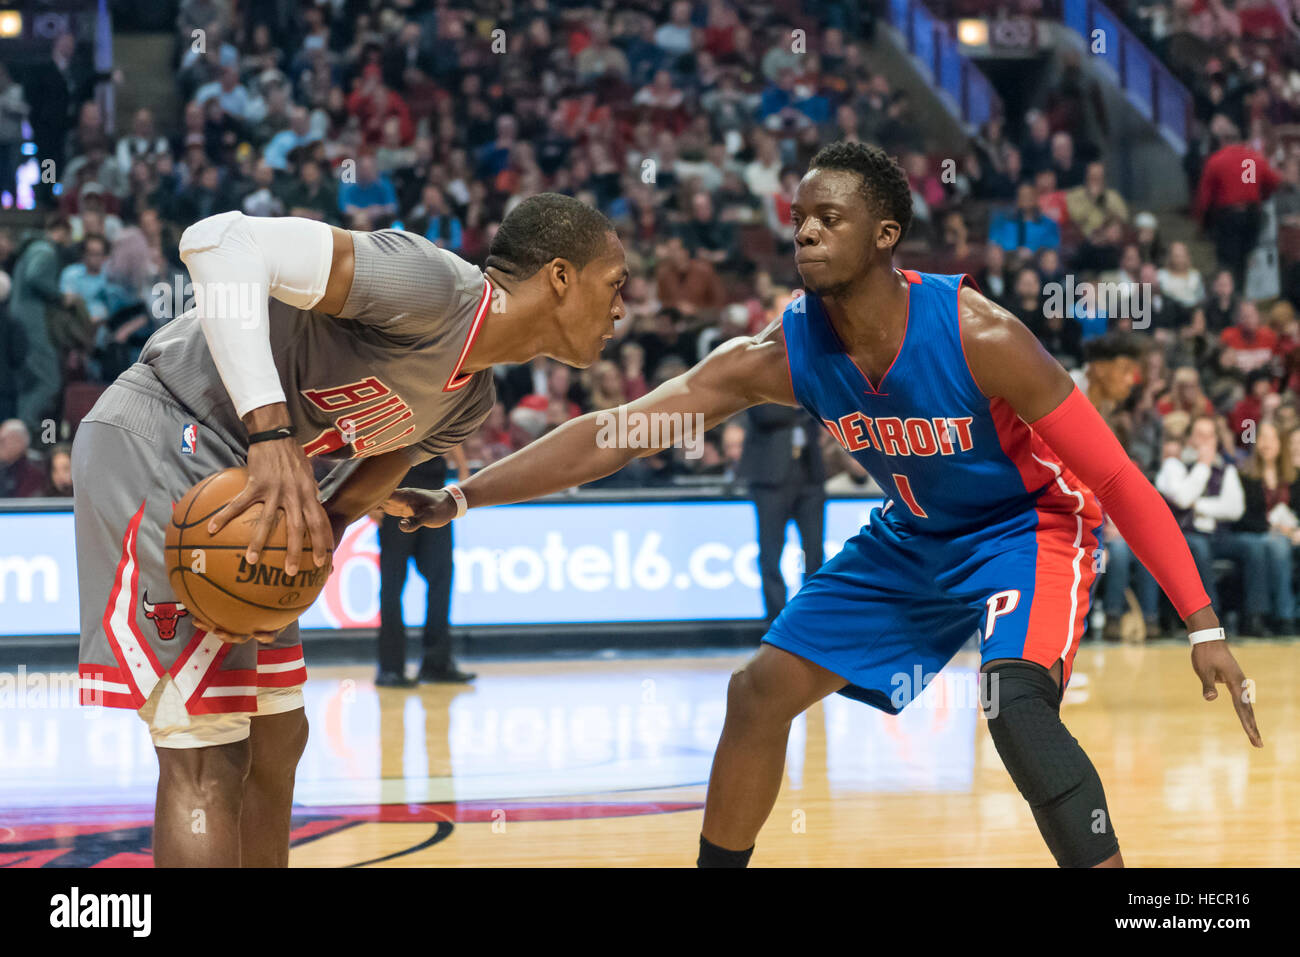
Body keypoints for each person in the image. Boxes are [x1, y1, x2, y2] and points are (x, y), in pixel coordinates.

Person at [386, 142, 1261, 868]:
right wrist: (464, 493)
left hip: (1026, 529)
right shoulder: (783, 351)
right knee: (758, 693)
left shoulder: (980, 334)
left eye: (827, 218)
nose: (802, 229)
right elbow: (619, 431)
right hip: (913, 539)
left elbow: (1115, 479)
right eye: (797, 216)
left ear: (886, 236)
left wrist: (1203, 622)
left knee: (1014, 706)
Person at [73, 193, 628, 867]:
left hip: (256, 489)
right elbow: (218, 240)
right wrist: (270, 429)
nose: (622, 311)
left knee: (277, 739)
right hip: (171, 430)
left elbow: (372, 475)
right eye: (615, 285)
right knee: (207, 748)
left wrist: (332, 522)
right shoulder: (431, 285)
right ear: (561, 277)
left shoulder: (470, 399)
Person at [374, 452, 474, 687]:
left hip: (435, 491)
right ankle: (390, 668)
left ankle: (437, 663)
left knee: (442, 577)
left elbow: (451, 423)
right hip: (394, 493)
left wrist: (462, 466)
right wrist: (369, 499)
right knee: (392, 584)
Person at [737, 405, 826, 625]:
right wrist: (803, 406)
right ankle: (777, 622)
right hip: (770, 479)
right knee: (771, 554)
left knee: (813, 554)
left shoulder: (805, 375)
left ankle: (811, 618)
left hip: (809, 476)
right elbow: (767, 414)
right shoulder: (763, 376)